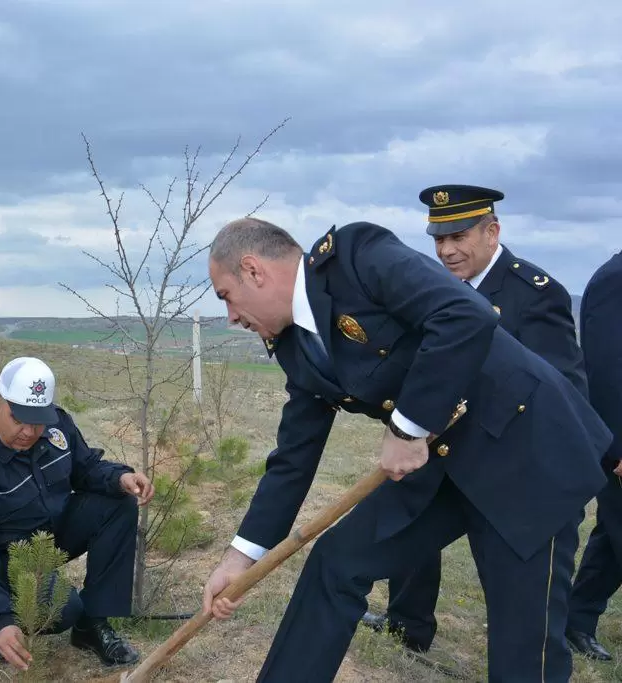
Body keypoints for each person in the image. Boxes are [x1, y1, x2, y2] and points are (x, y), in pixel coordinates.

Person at [199, 216, 611, 682]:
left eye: (226, 296)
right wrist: (239, 559)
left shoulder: (357, 256)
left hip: (528, 454)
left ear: (253, 270)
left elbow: (463, 315)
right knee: (337, 564)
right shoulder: (295, 344)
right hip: (441, 467)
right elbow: (294, 457)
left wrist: (407, 429)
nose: (231, 316)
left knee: (523, 646)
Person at [359, 185, 588, 654]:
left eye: (458, 237)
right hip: (442, 448)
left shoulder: (533, 293)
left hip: (509, 459)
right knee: (402, 526)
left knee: (520, 598)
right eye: (438, 240)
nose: (446, 251)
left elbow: (561, 388)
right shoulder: (433, 291)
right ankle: (408, 624)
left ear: (492, 231)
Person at [0, 357, 153, 672]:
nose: (29, 431)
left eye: (37, 420)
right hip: (3, 553)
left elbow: (85, 467)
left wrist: (119, 478)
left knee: (119, 503)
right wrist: (0, 618)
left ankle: (92, 624)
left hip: (49, 529)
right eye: (19, 419)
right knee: (62, 609)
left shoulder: (56, 425)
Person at [563, 250, 622, 661]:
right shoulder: (615, 279)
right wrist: (617, 448)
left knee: (612, 532)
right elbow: (605, 369)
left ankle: (578, 619)